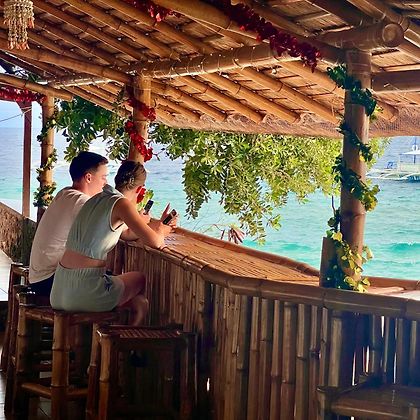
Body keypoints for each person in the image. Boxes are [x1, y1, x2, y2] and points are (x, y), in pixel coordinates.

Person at [50, 160, 175, 326]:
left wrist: (155, 225)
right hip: (84, 292)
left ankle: (132, 315)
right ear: (140, 189)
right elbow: (156, 242)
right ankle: (127, 335)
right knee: (139, 279)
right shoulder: (121, 203)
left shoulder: (96, 199)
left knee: (135, 299)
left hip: (58, 290)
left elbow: (126, 233)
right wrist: (163, 230)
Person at [28, 151, 109, 296]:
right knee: (118, 282)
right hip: (50, 280)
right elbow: (111, 226)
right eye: (103, 177)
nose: (106, 183)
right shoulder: (81, 201)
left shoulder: (65, 193)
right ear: (88, 178)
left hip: (39, 278)